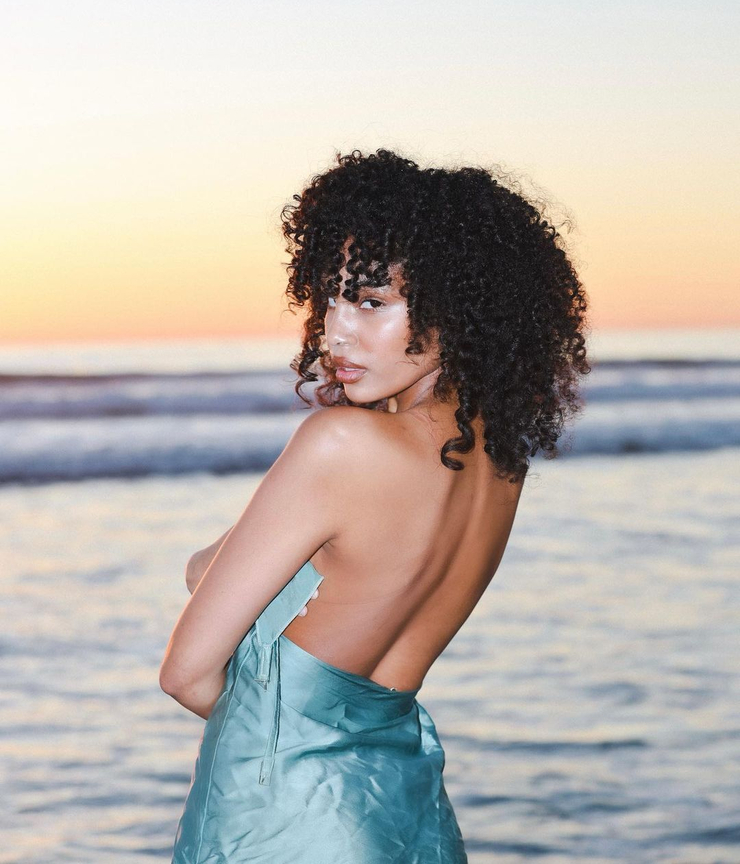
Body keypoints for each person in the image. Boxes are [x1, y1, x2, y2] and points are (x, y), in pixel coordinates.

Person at [161, 148, 591, 862]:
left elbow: (186, 672)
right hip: (405, 807)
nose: (335, 331)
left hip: (287, 820)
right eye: (328, 298)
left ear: (458, 307)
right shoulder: (501, 463)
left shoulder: (341, 446)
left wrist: (286, 735)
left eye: (370, 302)